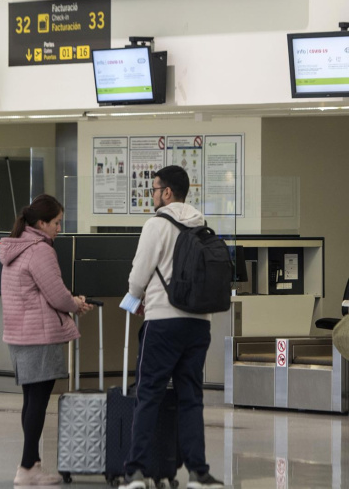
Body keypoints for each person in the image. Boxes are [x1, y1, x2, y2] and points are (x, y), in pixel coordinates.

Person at [122, 166, 223, 489]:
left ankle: (135, 472)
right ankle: (198, 473)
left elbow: (138, 277)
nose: (151, 195)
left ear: (167, 192)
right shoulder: (201, 225)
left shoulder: (156, 225)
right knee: (190, 397)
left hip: (163, 322)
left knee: (148, 394)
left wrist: (134, 299)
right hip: (199, 324)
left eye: (153, 189)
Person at [0, 194, 93, 486]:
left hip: (19, 334)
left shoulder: (15, 247)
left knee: (31, 400)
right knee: (38, 402)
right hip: (39, 335)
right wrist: (75, 303)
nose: (59, 228)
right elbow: (55, 293)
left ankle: (31, 464)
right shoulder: (40, 250)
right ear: (40, 223)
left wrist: (69, 301)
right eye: (56, 223)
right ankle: (27, 467)